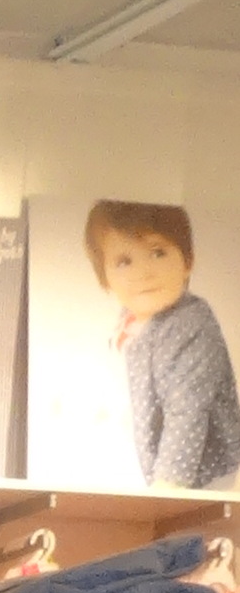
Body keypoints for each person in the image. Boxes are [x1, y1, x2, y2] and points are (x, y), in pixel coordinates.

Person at [85, 199, 240, 492]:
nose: (143, 272)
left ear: (187, 261)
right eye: (124, 261)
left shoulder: (190, 324)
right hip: (163, 468)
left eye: (157, 252)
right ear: (105, 278)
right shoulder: (130, 322)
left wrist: (168, 485)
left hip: (211, 478)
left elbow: (187, 411)